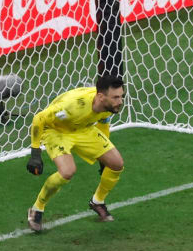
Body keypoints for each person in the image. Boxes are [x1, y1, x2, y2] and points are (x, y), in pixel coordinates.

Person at [24, 73, 126, 232]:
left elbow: (103, 123)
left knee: (116, 164)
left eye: (121, 96)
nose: (120, 101)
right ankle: (37, 208)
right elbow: (39, 118)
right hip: (56, 131)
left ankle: (98, 201)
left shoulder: (109, 106)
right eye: (115, 97)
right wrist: (35, 153)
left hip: (83, 129)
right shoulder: (73, 106)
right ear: (100, 96)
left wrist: (102, 158)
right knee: (67, 171)